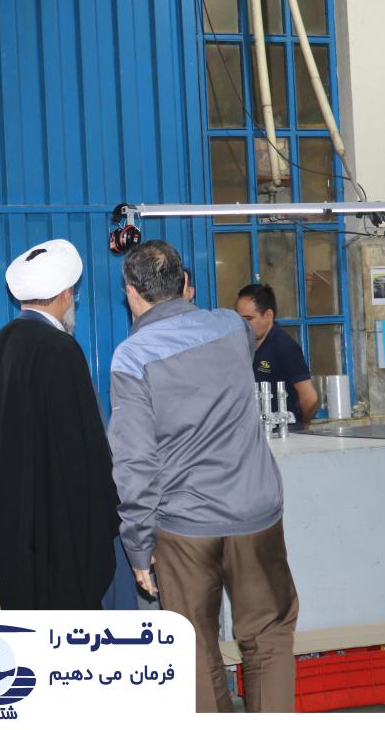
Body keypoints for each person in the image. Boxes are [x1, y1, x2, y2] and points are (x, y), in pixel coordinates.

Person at [108, 241, 299, 712]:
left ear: (130, 293)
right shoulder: (232, 327)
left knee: (192, 647)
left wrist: (138, 544)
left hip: (184, 527)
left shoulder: (131, 357)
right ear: (185, 284)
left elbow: (135, 461)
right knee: (268, 637)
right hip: (255, 514)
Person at [0, 239, 118, 610]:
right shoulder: (62, 351)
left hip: (1, 531)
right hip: (52, 538)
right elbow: (83, 455)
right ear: (65, 294)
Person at [235, 283, 319, 427]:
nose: (243, 325)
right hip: (256, 432)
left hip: (284, 433)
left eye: (248, 319)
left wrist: (302, 425)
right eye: (239, 320)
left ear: (268, 316)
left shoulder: (284, 346)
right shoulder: (244, 346)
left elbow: (309, 398)